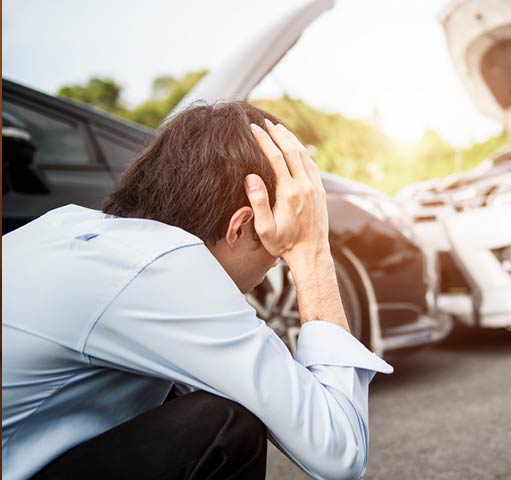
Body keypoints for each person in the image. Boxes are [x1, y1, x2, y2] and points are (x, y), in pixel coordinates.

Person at [1, 101, 392, 480]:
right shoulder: (164, 268)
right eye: (275, 250)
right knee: (222, 427)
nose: (273, 263)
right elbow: (341, 450)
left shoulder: (65, 225)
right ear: (240, 225)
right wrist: (311, 249)